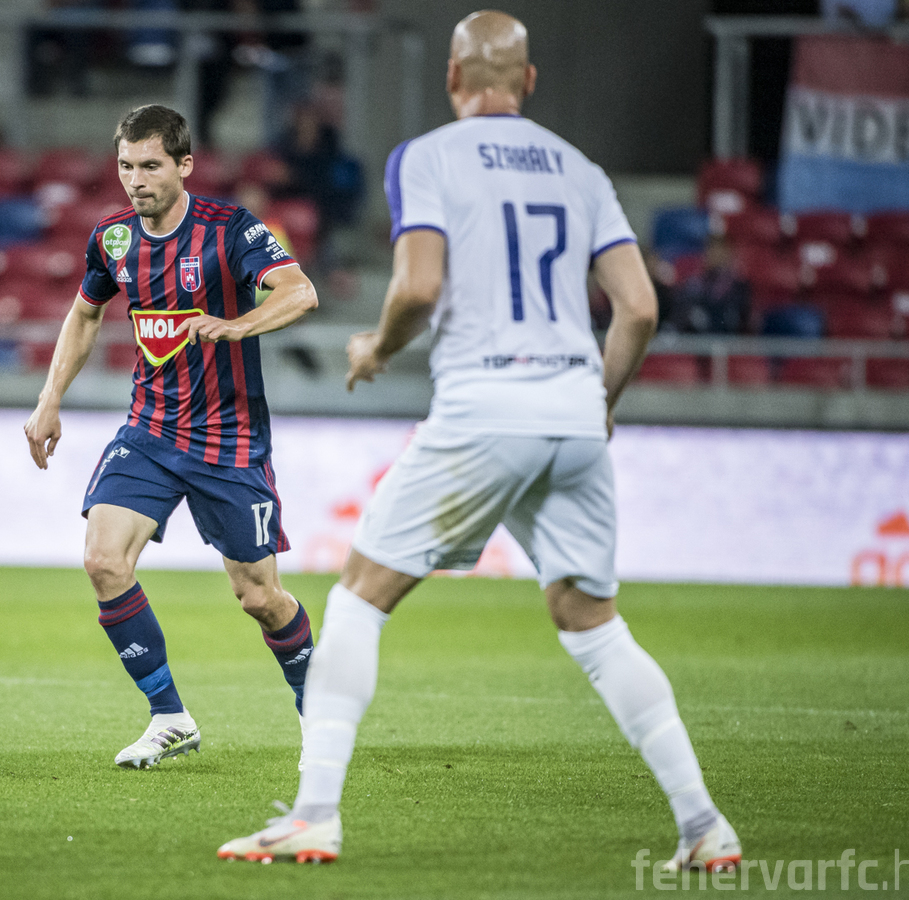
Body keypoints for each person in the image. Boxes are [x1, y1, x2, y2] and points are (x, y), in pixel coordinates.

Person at [218, 10, 742, 872]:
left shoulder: (427, 157)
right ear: (528, 81)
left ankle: (313, 815)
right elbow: (640, 308)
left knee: (358, 598)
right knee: (593, 624)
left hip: (486, 405)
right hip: (572, 410)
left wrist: (377, 348)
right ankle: (703, 825)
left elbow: (418, 288)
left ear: (454, 77)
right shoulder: (580, 169)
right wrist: (601, 399)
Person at [24, 104, 320, 769]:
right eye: (126, 166)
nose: (136, 180)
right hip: (150, 430)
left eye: (151, 166)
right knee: (103, 561)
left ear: (185, 165)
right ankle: (169, 717)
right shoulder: (113, 239)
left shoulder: (230, 230)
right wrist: (49, 399)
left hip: (228, 439)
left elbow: (300, 292)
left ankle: (319, 709)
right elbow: (84, 315)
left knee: (259, 597)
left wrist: (237, 326)